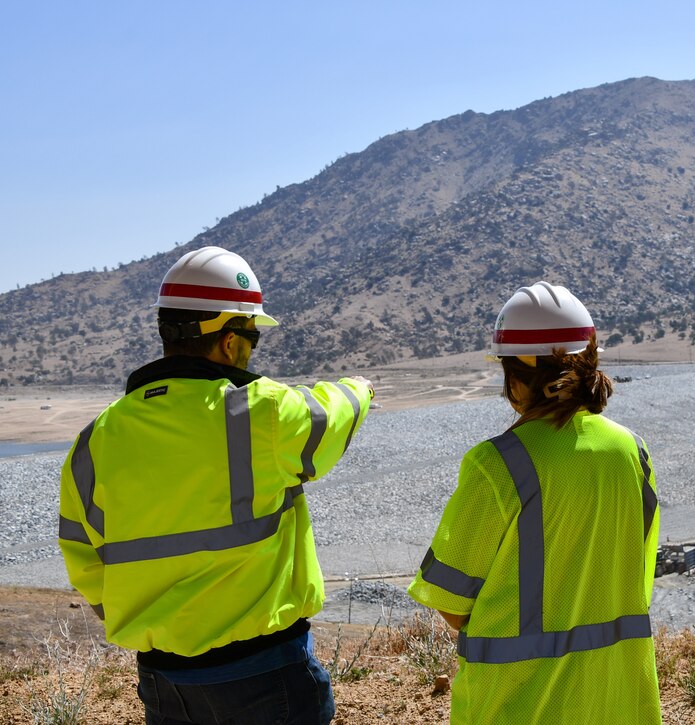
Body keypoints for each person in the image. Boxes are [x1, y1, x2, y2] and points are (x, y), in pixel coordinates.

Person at [58, 246, 375, 725]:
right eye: (251, 337)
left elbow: (83, 554)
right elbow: (332, 416)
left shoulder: (96, 439)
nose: (250, 351)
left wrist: (152, 617)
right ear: (228, 341)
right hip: (264, 675)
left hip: (163, 682)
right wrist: (361, 385)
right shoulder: (260, 411)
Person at [407, 281, 662, 724]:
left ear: (517, 377)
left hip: (519, 707)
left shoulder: (498, 464)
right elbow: (636, 577)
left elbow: (450, 599)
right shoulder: (632, 452)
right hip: (618, 700)